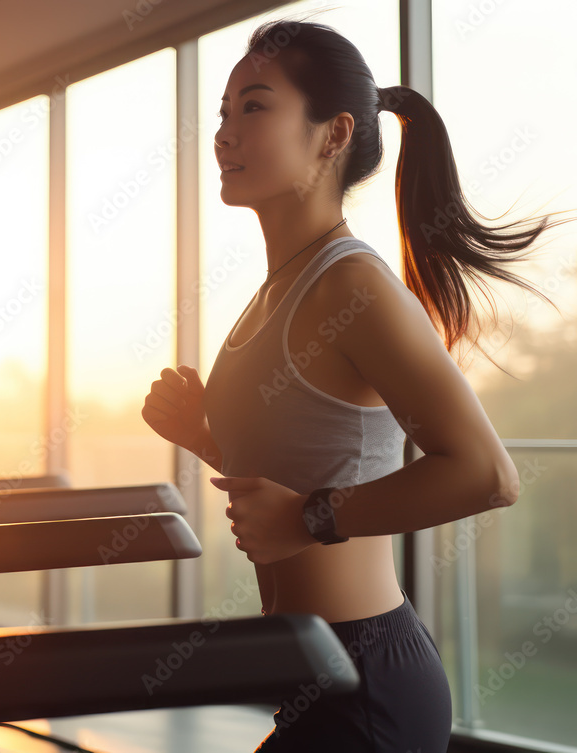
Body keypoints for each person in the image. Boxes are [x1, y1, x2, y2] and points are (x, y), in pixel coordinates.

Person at [141, 17, 569, 753]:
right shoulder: (279, 288)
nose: (224, 132)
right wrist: (203, 437)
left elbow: (488, 474)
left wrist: (310, 517)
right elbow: (299, 470)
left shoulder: (351, 287)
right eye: (223, 111)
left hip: (366, 684)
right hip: (312, 670)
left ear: (333, 134)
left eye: (254, 106)